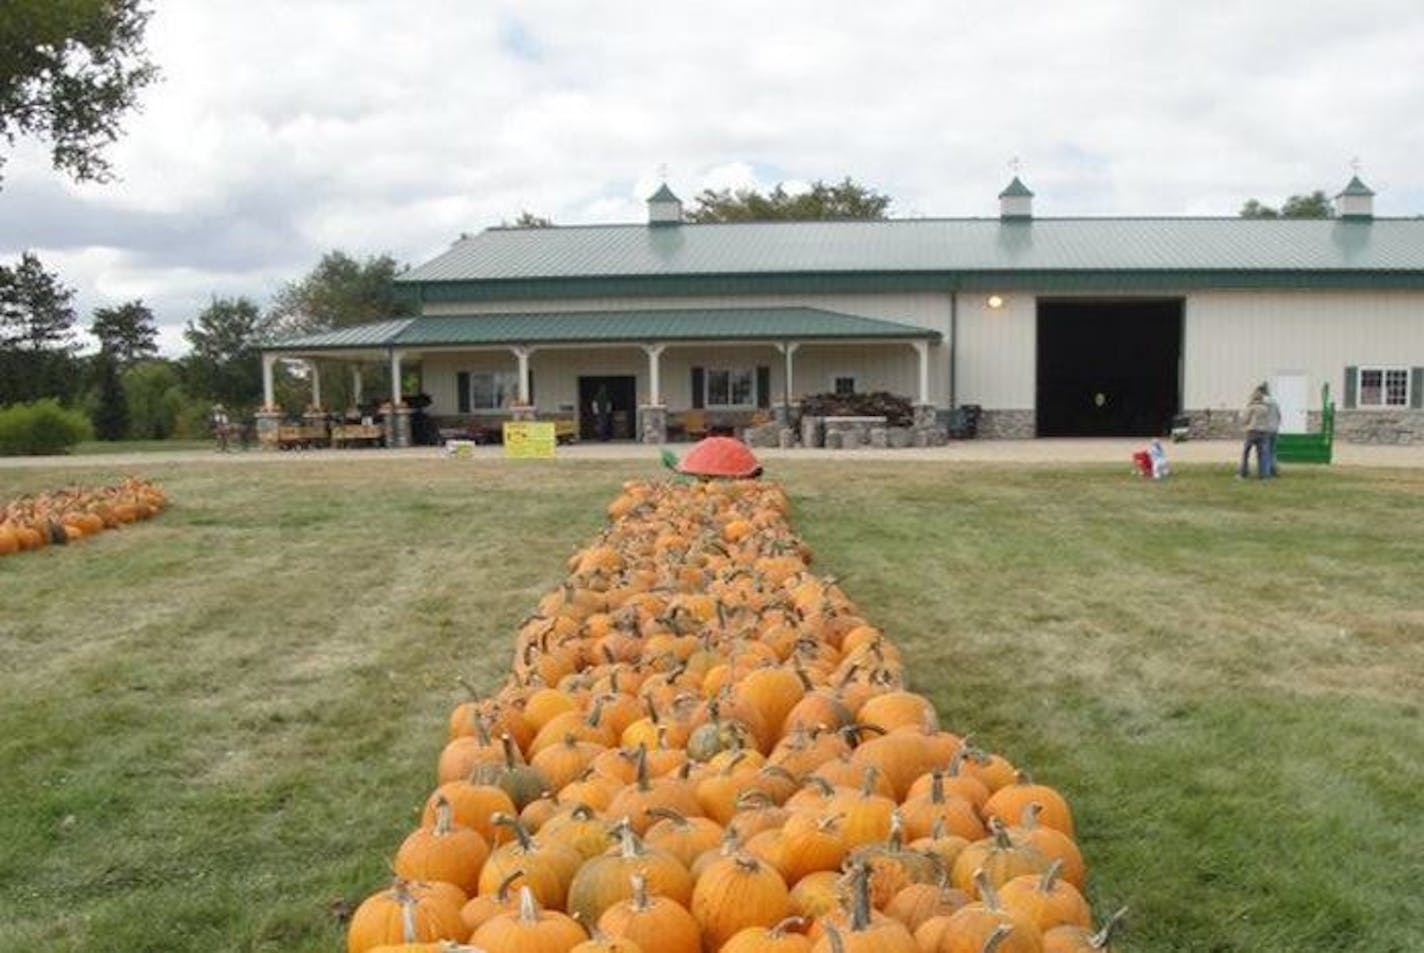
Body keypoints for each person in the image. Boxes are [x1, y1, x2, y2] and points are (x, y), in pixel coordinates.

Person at [1238, 385, 1272, 479]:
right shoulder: (1266, 408)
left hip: (1252, 431)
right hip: (1264, 431)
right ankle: (1264, 475)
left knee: (1246, 453)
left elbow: (1245, 419)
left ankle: (1243, 473)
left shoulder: (1251, 407)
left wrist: (1243, 423)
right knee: (1262, 454)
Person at [1262, 383, 1282, 477]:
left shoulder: (1262, 403)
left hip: (1265, 429)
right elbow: (1279, 415)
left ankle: (1266, 472)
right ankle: (1274, 470)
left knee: (1265, 452)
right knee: (1272, 451)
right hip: (1274, 429)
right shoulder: (1274, 402)